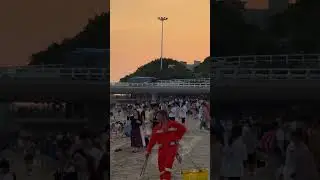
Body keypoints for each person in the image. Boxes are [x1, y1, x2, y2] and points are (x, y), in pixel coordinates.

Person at [145, 110, 187, 180]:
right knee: (161, 168)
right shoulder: (157, 128)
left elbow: (183, 129)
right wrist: (148, 151)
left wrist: (176, 138)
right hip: (161, 150)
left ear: (164, 116)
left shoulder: (174, 124)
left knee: (167, 166)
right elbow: (152, 141)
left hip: (171, 149)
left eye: (158, 116)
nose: (156, 117)